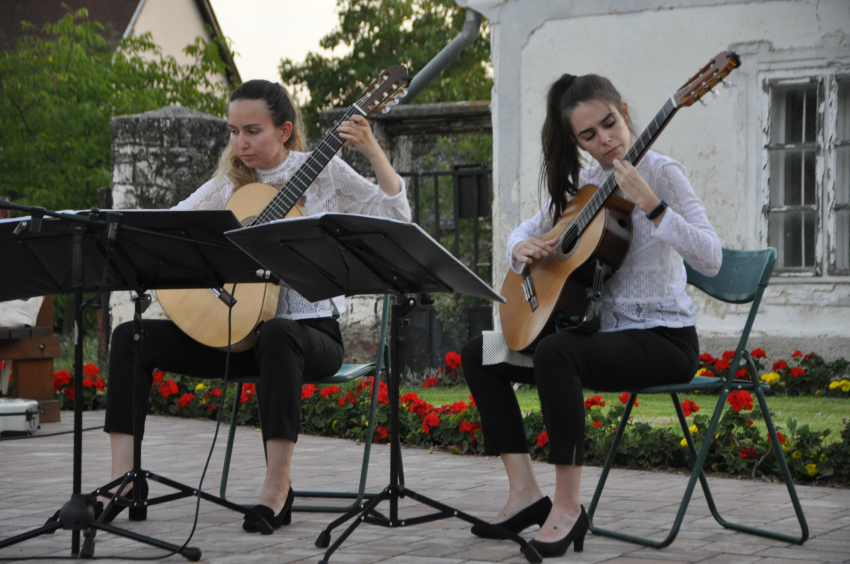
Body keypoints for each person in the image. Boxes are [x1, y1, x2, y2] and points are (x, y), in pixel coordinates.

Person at [102, 79, 411, 532]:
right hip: (237, 332)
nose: (240, 143)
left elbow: (396, 216)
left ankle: (277, 487)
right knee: (132, 337)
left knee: (277, 333)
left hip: (310, 336)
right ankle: (124, 480)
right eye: (232, 131)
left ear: (284, 130)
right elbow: (170, 226)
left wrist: (373, 151)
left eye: (252, 131)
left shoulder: (322, 171)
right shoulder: (230, 184)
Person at [461, 73, 722, 557]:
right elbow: (523, 230)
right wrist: (523, 246)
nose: (605, 140)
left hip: (664, 341)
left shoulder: (663, 172)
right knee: (481, 353)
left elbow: (711, 256)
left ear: (624, 111)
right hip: (602, 338)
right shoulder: (585, 185)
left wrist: (652, 205)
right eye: (589, 135)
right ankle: (524, 493)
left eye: (610, 124)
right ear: (576, 141)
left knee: (558, 353)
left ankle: (567, 507)